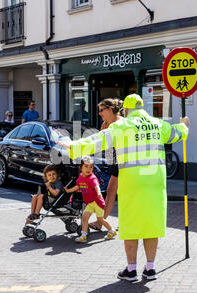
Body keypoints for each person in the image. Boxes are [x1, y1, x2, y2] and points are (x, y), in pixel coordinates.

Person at [57, 93, 189, 281]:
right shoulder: (158, 124)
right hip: (155, 185)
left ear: (126, 110)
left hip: (133, 185)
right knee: (151, 226)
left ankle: (131, 270)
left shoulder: (122, 126)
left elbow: (96, 141)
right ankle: (150, 268)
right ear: (143, 108)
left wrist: (72, 146)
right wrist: (184, 124)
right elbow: (178, 132)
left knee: (132, 227)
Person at [64, 156, 117, 243]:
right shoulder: (80, 177)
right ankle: (83, 236)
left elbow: (96, 186)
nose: (89, 169)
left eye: (91, 167)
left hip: (97, 202)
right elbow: (78, 186)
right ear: (80, 168)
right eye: (86, 167)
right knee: (84, 218)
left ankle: (112, 230)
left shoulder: (92, 178)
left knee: (100, 219)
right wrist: (69, 190)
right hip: (90, 203)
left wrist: (99, 193)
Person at [89, 98, 122, 232]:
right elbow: (107, 149)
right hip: (116, 162)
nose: (100, 113)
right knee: (111, 191)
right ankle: (100, 222)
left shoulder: (120, 123)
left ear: (110, 109)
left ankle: (100, 222)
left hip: (125, 162)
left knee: (114, 191)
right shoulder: (106, 125)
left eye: (102, 110)